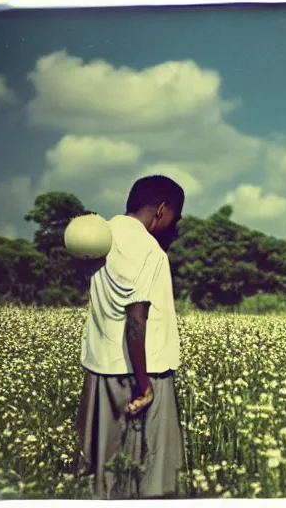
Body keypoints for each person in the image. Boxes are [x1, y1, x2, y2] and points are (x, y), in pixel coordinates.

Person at [75, 175, 185, 499]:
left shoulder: (99, 237)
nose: (172, 227)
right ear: (161, 211)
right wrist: (146, 386)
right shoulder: (150, 251)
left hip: (100, 373)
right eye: (173, 219)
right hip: (142, 373)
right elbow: (135, 319)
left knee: (103, 477)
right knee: (149, 476)